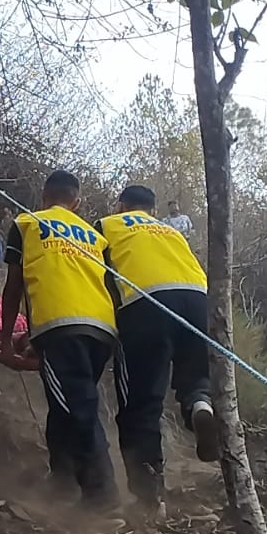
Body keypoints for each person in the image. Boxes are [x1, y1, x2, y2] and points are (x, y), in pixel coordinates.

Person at [94, 184, 221, 512]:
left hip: (145, 301)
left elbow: (92, 274)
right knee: (194, 376)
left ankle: (151, 496)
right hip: (198, 299)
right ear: (152, 210)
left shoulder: (108, 225)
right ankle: (200, 407)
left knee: (142, 402)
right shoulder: (171, 231)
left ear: (121, 205)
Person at [0, 170, 119, 509]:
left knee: (77, 408)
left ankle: (102, 497)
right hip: (102, 329)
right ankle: (62, 479)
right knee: (65, 404)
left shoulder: (26, 223)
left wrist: (7, 340)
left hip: (59, 326)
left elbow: (13, 287)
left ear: (44, 195)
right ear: (77, 203)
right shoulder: (94, 236)